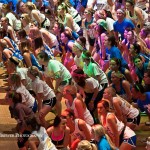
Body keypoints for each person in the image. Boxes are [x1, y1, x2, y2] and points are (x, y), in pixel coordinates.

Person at [37, 51, 72, 116]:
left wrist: (55, 89)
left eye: (38, 58)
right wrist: (52, 89)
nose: (37, 60)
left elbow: (58, 78)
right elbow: (48, 79)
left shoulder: (52, 64)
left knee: (56, 99)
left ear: (43, 59)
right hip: (60, 81)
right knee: (56, 97)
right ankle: (58, 113)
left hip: (65, 79)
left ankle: (59, 117)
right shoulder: (44, 66)